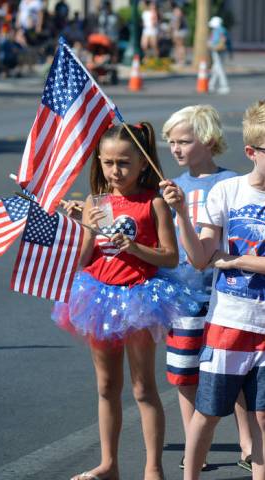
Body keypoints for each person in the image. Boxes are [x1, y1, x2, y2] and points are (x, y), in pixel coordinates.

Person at [161, 100, 265, 480]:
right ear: (251, 152)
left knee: (264, 415)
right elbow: (201, 257)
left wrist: (237, 260)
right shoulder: (226, 192)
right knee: (208, 412)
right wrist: (181, 215)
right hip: (228, 324)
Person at [53, 123, 204, 480]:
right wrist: (81, 226)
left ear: (141, 164)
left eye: (123, 163)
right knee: (106, 387)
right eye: (108, 163)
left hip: (140, 298)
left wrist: (133, 247)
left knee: (142, 387)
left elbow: (169, 257)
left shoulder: (152, 202)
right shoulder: (98, 201)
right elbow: (85, 258)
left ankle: (153, 467)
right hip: (99, 297)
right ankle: (109, 464)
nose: (115, 171)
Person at [160, 104, 254, 473]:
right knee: (185, 374)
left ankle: (248, 442)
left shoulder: (230, 183)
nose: (176, 148)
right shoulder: (171, 189)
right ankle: (195, 444)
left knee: (234, 372)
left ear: (209, 140)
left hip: (224, 295)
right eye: (171, 142)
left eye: (184, 140)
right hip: (183, 295)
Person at [207, 16, 229, 95]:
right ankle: (210, 85)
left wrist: (209, 44)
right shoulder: (222, 30)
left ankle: (224, 86)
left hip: (217, 51)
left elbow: (215, 41)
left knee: (219, 68)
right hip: (220, 50)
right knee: (215, 68)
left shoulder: (217, 30)